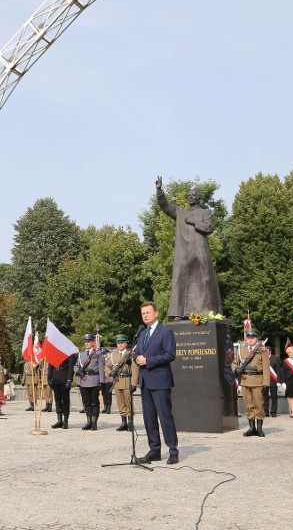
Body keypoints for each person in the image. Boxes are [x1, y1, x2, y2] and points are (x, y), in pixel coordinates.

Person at [154, 177, 222, 318]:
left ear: (198, 198)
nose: (191, 198)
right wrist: (160, 191)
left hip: (199, 250)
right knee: (180, 280)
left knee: (205, 279)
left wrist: (195, 222)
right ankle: (178, 313)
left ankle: (206, 312)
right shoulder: (180, 212)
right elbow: (165, 206)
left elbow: (209, 227)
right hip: (183, 252)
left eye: (193, 196)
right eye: (189, 196)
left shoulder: (205, 212)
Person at [133, 301, 179, 464]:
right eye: (143, 313)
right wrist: (137, 358)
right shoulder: (142, 334)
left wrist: (148, 360)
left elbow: (170, 355)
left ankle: (173, 450)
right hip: (145, 382)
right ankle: (155, 450)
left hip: (160, 381)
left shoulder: (165, 332)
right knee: (149, 418)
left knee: (165, 416)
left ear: (156, 313)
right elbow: (137, 353)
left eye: (148, 312)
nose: (145, 315)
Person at [234, 329, 270, 437]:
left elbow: (266, 368)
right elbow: (234, 363)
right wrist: (236, 369)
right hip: (245, 381)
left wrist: (266, 383)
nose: (250, 340)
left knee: (259, 405)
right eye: (248, 338)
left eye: (252, 338)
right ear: (246, 338)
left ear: (257, 339)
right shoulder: (241, 350)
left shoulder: (262, 351)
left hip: (258, 380)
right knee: (248, 405)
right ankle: (251, 427)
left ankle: (259, 428)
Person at [74, 334, 105, 431]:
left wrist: (102, 381)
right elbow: (76, 365)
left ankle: (94, 422)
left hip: (94, 380)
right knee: (86, 402)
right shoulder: (81, 354)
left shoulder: (98, 354)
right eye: (85, 342)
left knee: (94, 402)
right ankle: (89, 421)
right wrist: (77, 371)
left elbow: (101, 368)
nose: (87, 343)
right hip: (84, 380)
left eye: (89, 342)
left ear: (93, 343)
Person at [105, 334, 134, 431]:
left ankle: (130, 422)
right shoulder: (113, 354)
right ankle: (123, 422)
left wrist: (133, 383)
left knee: (128, 402)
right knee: (121, 403)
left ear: (126, 343)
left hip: (127, 380)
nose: (120, 345)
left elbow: (135, 369)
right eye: (118, 343)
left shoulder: (131, 354)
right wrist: (110, 373)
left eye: (122, 343)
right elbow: (107, 366)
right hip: (117, 381)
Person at [47, 351, 76, 429]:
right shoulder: (54, 351)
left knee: (65, 400)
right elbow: (51, 365)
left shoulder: (69, 352)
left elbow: (71, 367)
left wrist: (69, 380)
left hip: (64, 379)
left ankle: (65, 420)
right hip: (56, 379)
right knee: (58, 400)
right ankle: (59, 420)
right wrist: (49, 378)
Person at [265, 345, 280, 417]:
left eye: (266, 351)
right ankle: (266, 411)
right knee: (265, 396)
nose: (265, 352)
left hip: (273, 380)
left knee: (274, 396)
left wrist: (279, 381)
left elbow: (278, 370)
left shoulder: (275, 358)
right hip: (265, 380)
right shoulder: (262, 358)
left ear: (270, 351)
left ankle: (273, 411)